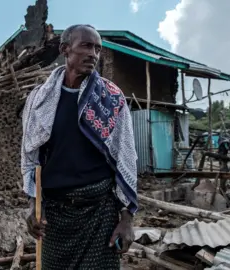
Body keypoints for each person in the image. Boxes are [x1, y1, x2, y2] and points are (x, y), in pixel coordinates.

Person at [21, 24, 138, 269]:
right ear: (65, 49)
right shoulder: (39, 100)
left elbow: (126, 158)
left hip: (99, 213)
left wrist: (127, 218)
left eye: (97, 48)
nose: (93, 54)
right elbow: (30, 158)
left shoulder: (112, 99)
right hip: (54, 215)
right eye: (86, 45)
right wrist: (34, 205)